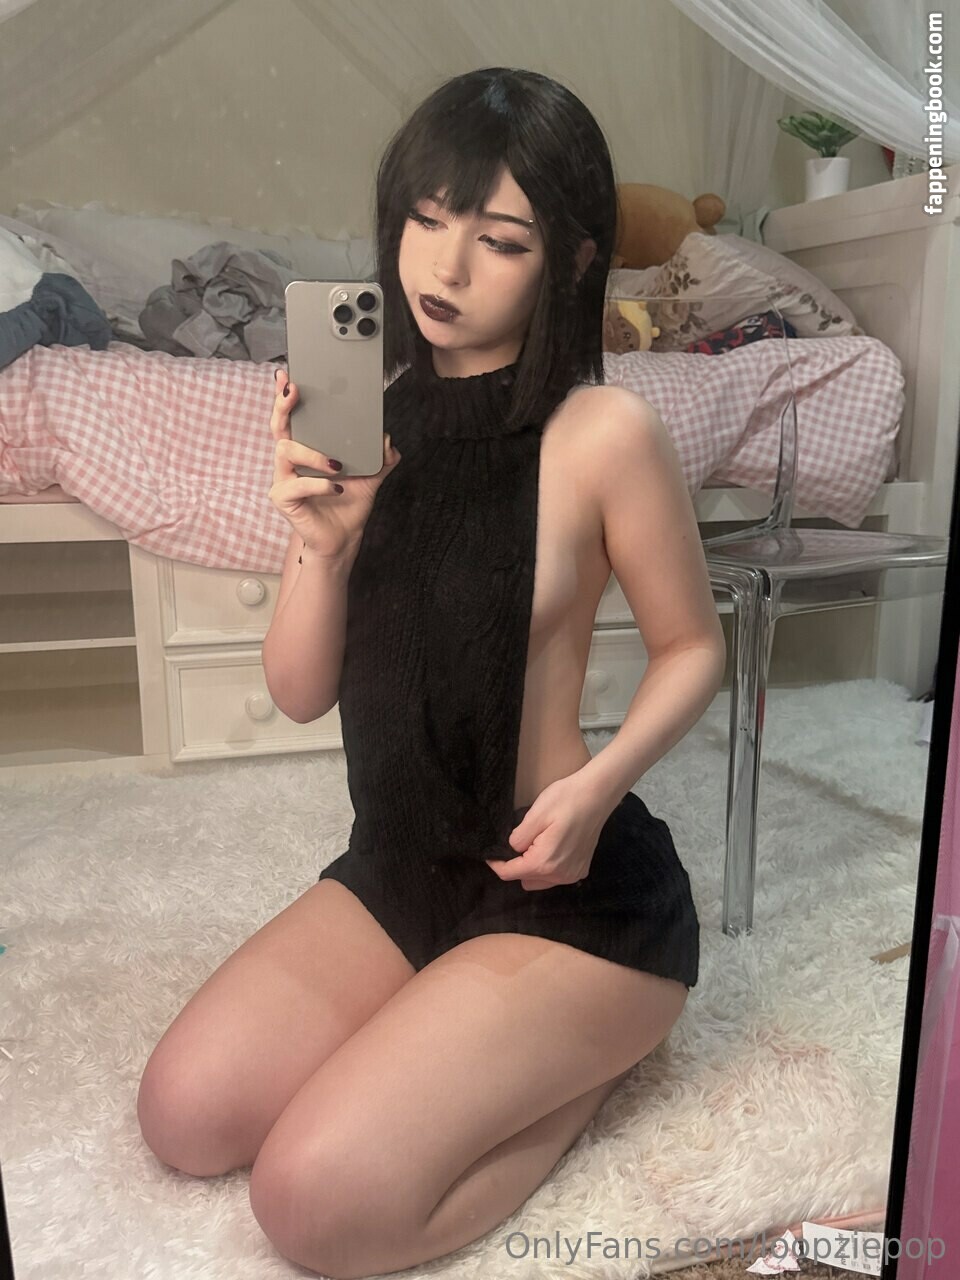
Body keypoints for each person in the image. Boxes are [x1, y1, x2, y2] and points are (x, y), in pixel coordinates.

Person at [137, 67, 726, 1278]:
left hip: (566, 887)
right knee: (185, 1117)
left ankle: (593, 1061)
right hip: (402, 863)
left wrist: (601, 784)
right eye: (426, 218)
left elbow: (693, 646)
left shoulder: (602, 433)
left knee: (312, 1202)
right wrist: (324, 543)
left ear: (569, 259)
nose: (444, 267)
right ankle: (475, 1038)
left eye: (499, 239)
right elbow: (299, 692)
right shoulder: (367, 414)